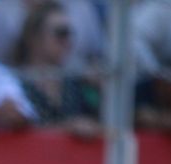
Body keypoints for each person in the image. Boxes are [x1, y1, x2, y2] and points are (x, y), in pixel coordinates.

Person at [12, 1, 103, 137]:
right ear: (34, 37)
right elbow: (15, 131)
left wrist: (102, 90)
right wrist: (66, 128)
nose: (68, 41)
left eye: (69, 33)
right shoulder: (13, 85)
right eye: (61, 33)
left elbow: (102, 123)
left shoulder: (76, 83)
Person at [0, 0, 105, 73]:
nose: (67, 41)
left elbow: (97, 57)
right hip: (23, 85)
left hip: (73, 89)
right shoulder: (1, 12)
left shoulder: (81, 8)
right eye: (61, 33)